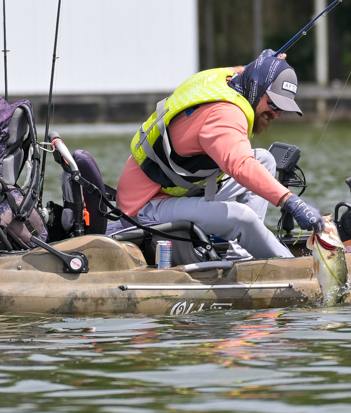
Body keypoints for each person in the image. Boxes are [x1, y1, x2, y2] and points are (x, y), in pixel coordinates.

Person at [114, 49, 323, 259]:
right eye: (273, 103)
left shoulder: (218, 78)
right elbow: (241, 165)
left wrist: (261, 65)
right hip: (145, 207)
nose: (276, 113)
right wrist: (291, 201)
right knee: (243, 217)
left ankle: (242, 255)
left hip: (173, 190)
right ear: (256, 87)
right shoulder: (225, 114)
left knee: (264, 160)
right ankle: (294, 267)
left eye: (282, 108)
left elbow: (242, 71)